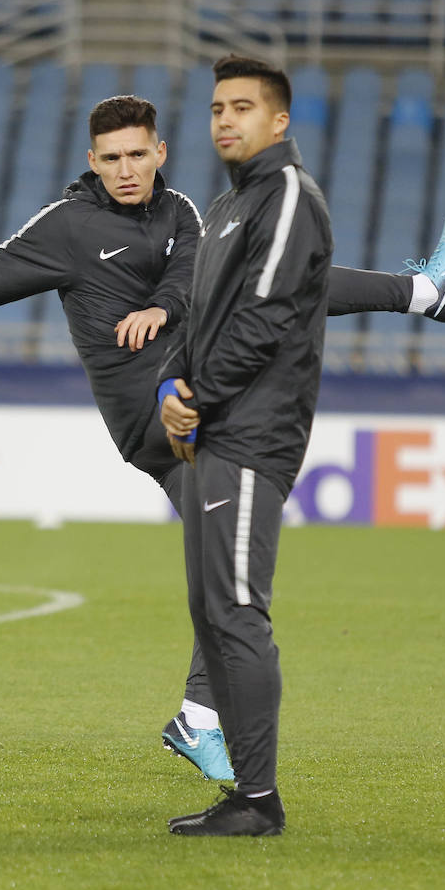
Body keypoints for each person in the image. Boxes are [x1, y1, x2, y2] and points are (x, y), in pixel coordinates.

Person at [0, 97, 445, 780]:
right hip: (155, 417)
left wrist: (162, 306)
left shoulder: (178, 209)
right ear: (91, 161)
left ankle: (197, 719)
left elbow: (192, 274)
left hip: (196, 395)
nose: (124, 169)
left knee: (230, 579)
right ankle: (422, 294)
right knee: (268, 280)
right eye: (110, 158)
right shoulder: (65, 228)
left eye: (136, 155)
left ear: (159, 152)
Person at [159, 54, 333, 836]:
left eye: (241, 107)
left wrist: (196, 397)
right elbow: (197, 317)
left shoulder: (289, 195)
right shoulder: (232, 206)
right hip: (209, 432)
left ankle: (260, 801)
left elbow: (263, 318)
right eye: (216, 108)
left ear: (278, 121)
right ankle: (242, 793)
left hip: (249, 435)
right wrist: (169, 388)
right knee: (209, 610)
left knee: (233, 611)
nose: (225, 119)